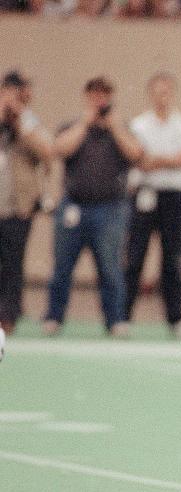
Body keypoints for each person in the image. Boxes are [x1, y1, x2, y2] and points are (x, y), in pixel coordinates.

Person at [44, 76, 143, 337]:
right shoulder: (73, 126)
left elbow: (136, 154)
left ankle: (115, 319)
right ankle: (54, 316)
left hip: (110, 208)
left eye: (105, 94)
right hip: (74, 206)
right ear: (87, 96)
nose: (100, 99)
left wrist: (114, 127)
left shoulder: (122, 128)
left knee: (110, 267)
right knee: (62, 265)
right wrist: (85, 123)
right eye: (95, 94)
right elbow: (60, 149)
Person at [125, 73, 181, 336]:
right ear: (150, 94)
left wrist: (155, 161)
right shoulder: (139, 125)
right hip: (145, 194)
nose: (162, 96)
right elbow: (137, 159)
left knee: (172, 259)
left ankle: (175, 319)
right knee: (135, 256)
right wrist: (166, 160)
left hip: (173, 197)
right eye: (157, 91)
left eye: (167, 91)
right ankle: (123, 316)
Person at [0, 71, 52, 335]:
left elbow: (46, 152)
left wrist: (18, 120)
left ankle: (8, 315)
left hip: (17, 206)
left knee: (12, 263)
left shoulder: (27, 121)